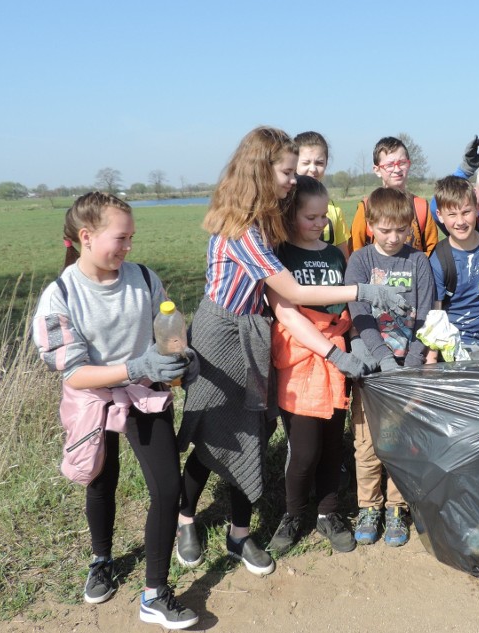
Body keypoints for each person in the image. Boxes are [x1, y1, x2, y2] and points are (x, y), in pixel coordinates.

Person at [174, 127, 409, 573]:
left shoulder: (268, 221)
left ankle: (239, 535)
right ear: (262, 172)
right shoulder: (244, 230)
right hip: (221, 333)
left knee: (251, 433)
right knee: (212, 432)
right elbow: (294, 291)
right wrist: (365, 290)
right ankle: (187, 518)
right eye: (286, 171)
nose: (292, 178)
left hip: (255, 330)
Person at [32, 192, 199, 629]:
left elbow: (168, 332)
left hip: (144, 393)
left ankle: (154, 594)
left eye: (131, 238)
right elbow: (73, 374)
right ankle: (102, 559)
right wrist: (136, 365)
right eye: (120, 238)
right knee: (102, 480)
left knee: (166, 488)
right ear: (86, 237)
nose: (128, 248)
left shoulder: (144, 278)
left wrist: (182, 356)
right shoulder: (60, 295)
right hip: (94, 400)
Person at [265, 176, 365, 555]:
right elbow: (286, 312)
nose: (320, 223)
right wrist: (330, 349)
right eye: (311, 216)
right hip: (300, 358)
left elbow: (346, 308)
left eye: (324, 216)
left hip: (336, 358)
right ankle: (293, 514)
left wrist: (352, 345)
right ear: (290, 215)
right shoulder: (279, 256)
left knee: (331, 446)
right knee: (304, 450)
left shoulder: (335, 255)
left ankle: (327, 513)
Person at [344, 186, 436, 547]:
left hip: (407, 367)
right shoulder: (361, 262)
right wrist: (382, 358)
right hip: (372, 369)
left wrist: (410, 362)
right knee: (367, 442)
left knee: (402, 441)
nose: (394, 237)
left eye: (402, 230)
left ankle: (397, 506)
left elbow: (426, 316)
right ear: (370, 226)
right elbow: (359, 314)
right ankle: (369, 505)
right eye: (385, 230)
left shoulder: (418, 262)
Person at [428, 175, 479, 357]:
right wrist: (431, 358)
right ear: (439, 215)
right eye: (452, 215)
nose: (460, 222)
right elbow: (436, 314)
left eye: (466, 212)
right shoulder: (439, 259)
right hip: (454, 349)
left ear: (477, 208)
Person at [349, 136, 440, 256]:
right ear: (377, 170)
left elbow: (432, 250)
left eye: (402, 163)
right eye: (390, 165)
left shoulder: (421, 207)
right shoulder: (366, 207)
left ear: (409, 165)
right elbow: (355, 251)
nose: (397, 169)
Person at [293, 131, 351, 259]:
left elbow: (344, 258)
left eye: (319, 163)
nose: (313, 169)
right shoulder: (284, 207)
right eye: (306, 163)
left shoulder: (334, 210)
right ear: (293, 162)